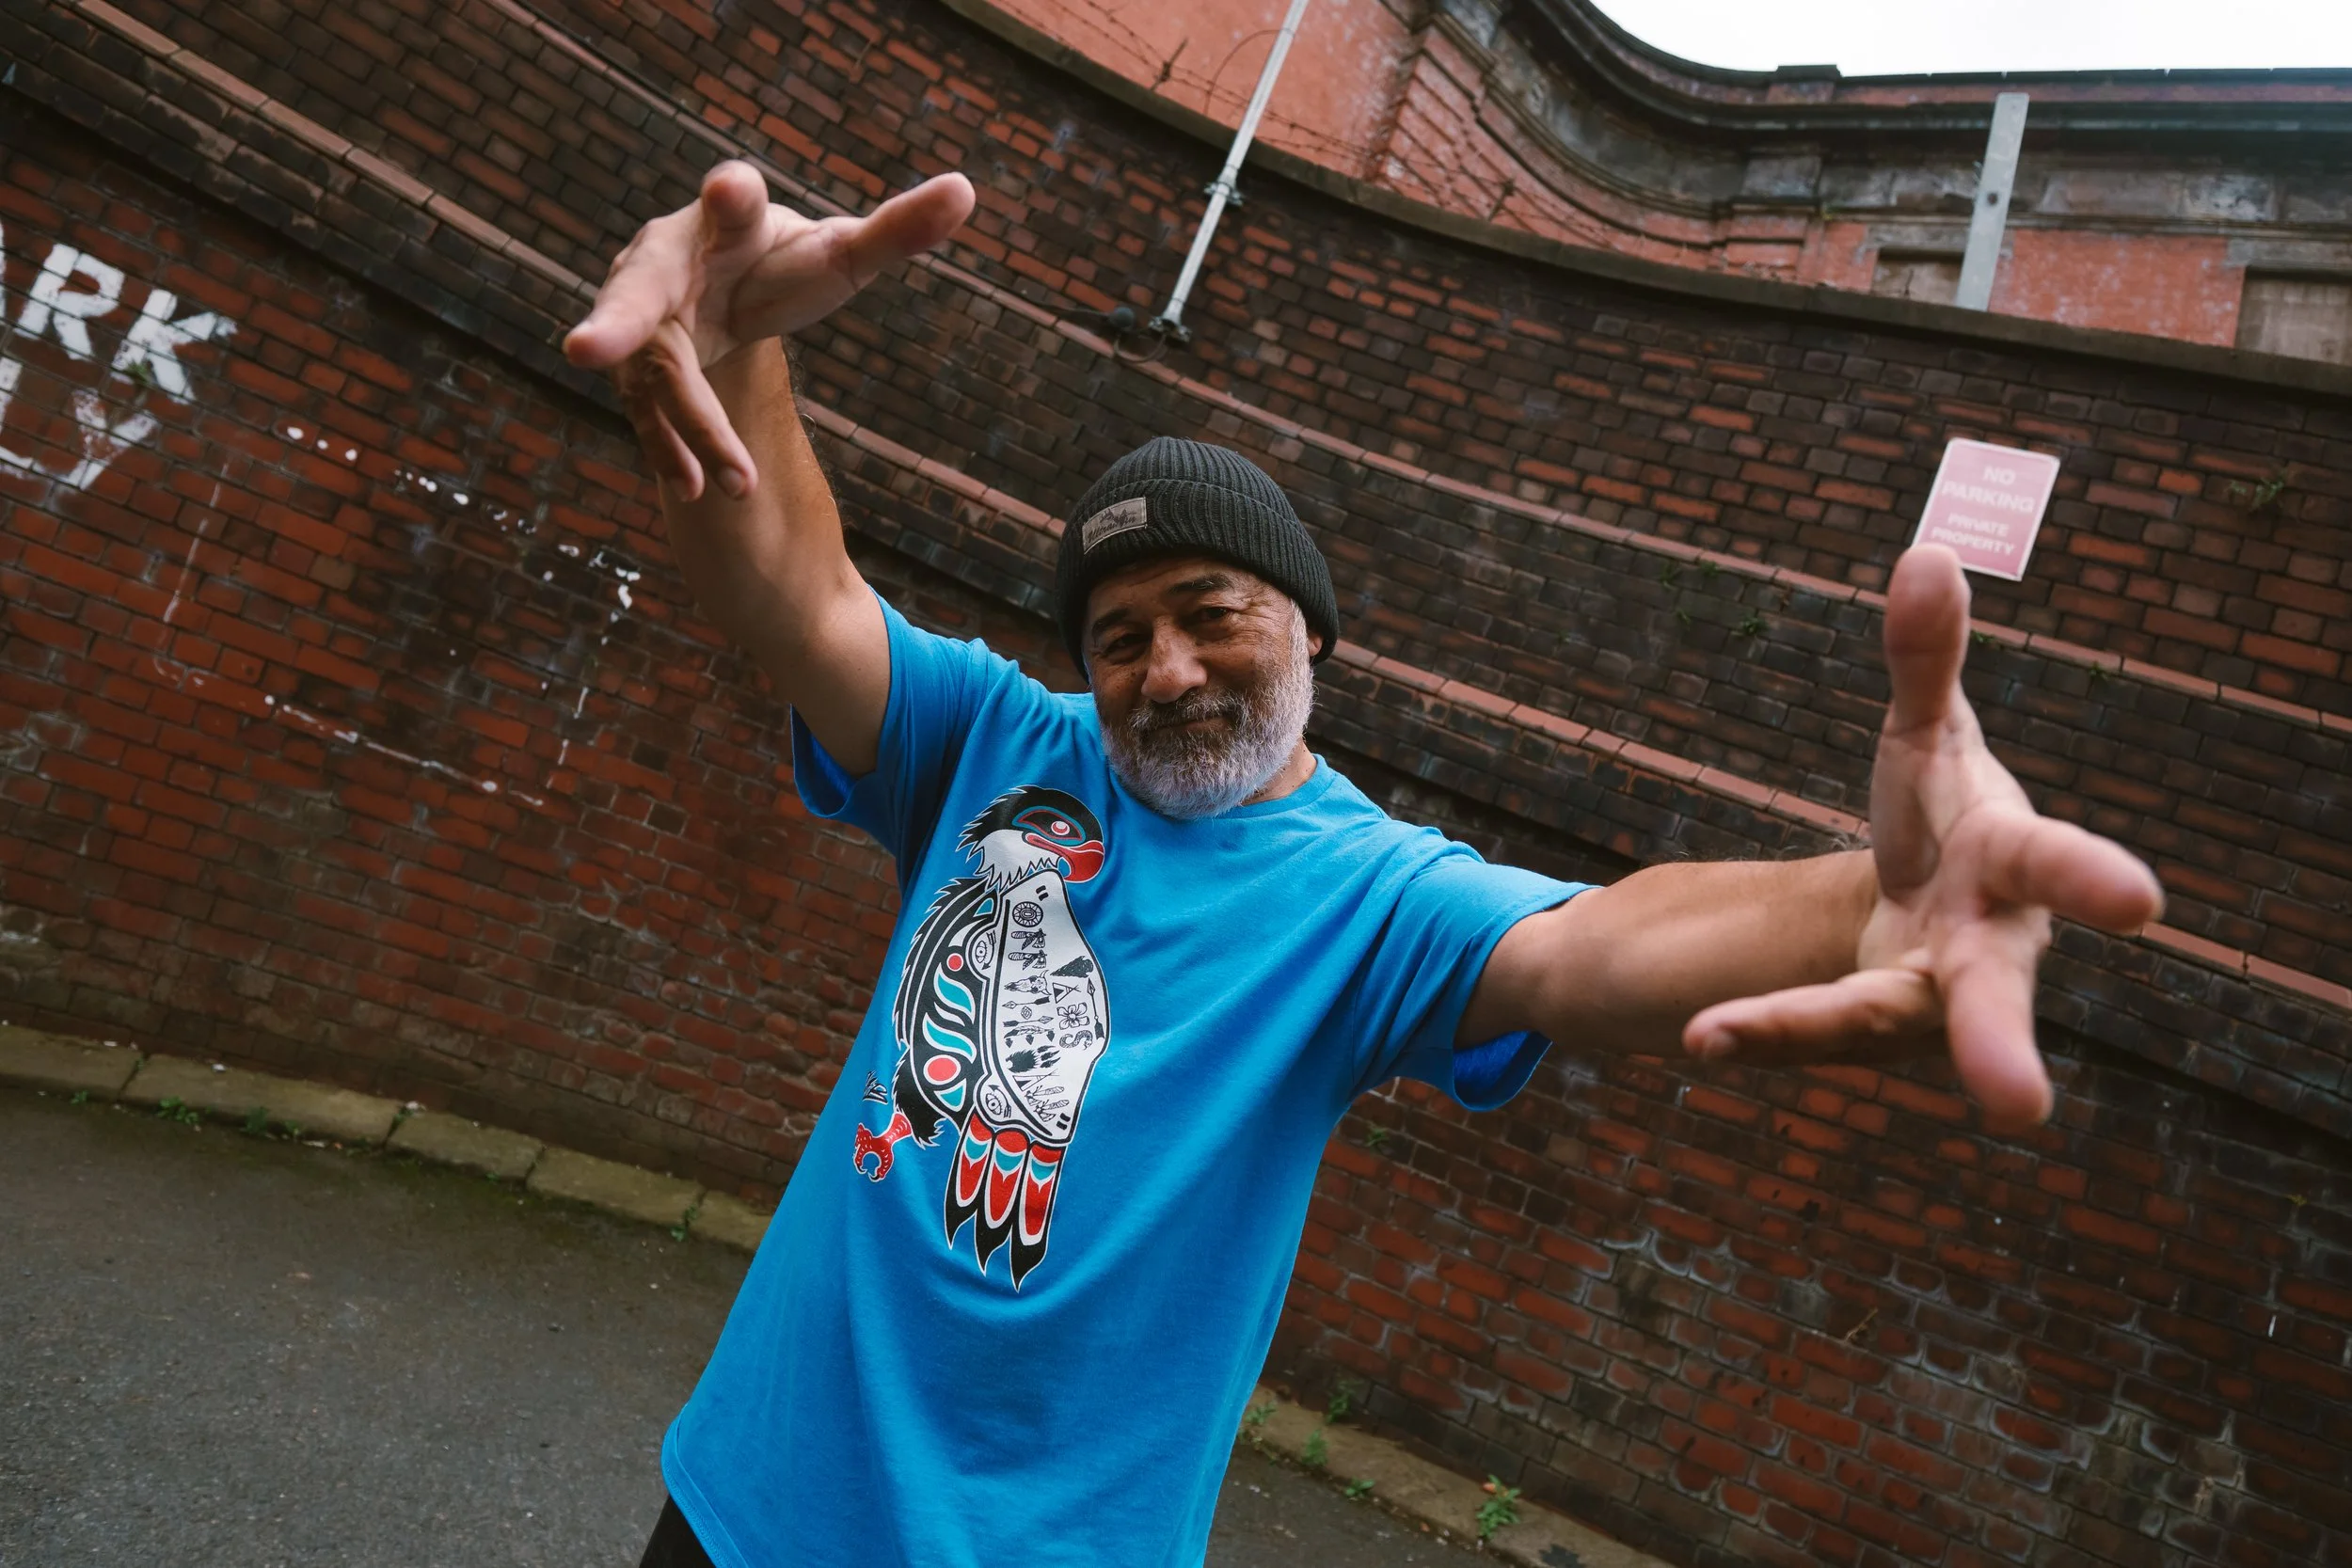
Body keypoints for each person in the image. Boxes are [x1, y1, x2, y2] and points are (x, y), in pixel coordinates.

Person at [565, 162, 2163, 1568]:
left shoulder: (1368, 896)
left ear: (1312, 634)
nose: (1167, 670)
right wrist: (730, 344)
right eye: (1119, 637)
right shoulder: (995, 742)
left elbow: (1590, 947)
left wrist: (1865, 900)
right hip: (747, 1506)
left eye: (1215, 611)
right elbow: (802, 591)